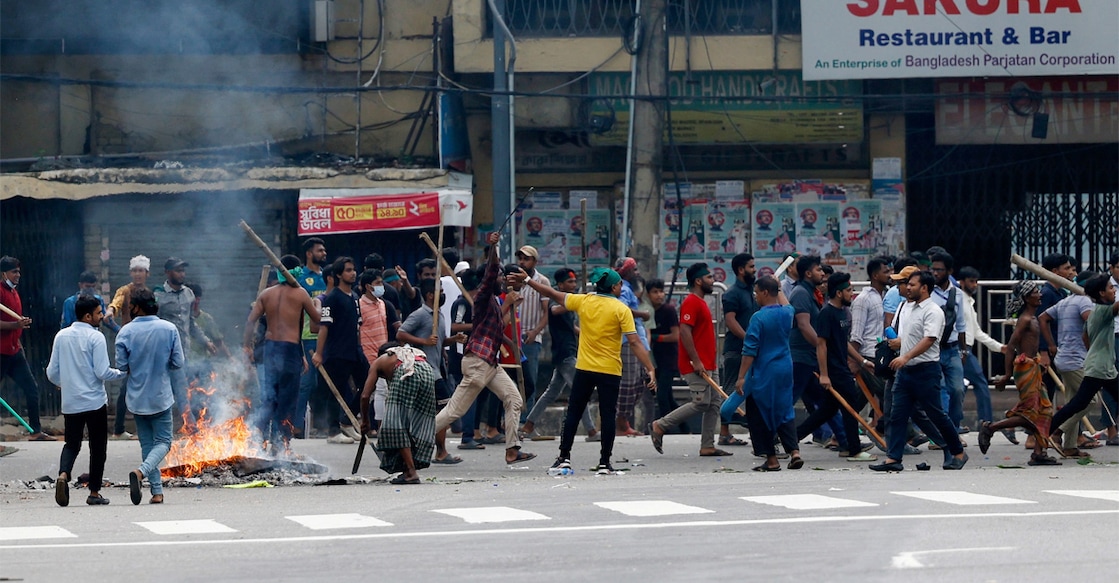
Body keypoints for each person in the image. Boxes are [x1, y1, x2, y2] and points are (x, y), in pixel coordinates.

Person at [513, 264, 657, 474]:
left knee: (573, 412)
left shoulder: (584, 300)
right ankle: (604, 462)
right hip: (610, 370)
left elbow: (551, 293)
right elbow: (635, 342)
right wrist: (650, 368)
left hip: (585, 367)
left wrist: (527, 280)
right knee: (608, 415)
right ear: (614, 287)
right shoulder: (620, 309)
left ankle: (564, 457)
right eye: (619, 284)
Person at [433, 232, 536, 465]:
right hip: (478, 362)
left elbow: (499, 327)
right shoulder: (483, 296)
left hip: (490, 363)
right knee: (453, 412)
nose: (505, 280)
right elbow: (491, 274)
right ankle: (409, 439)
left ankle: (512, 449)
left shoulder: (496, 301)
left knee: (514, 399)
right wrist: (493, 248)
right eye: (503, 277)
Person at [870, 270, 968, 472]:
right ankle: (893, 458)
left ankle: (957, 451)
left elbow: (929, 339)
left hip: (926, 370)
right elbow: (908, 337)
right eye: (907, 284)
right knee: (897, 414)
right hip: (905, 372)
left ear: (924, 288)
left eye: (912, 284)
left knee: (936, 414)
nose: (908, 288)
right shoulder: (907, 308)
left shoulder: (933, 311)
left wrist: (906, 355)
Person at [47, 296, 127, 506]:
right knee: (97, 447)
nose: (102, 317)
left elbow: (52, 372)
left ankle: (63, 475)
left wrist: (64, 384)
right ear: (88, 315)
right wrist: (121, 373)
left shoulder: (61, 336)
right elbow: (102, 371)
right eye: (99, 313)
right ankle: (94, 492)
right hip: (94, 402)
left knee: (72, 444)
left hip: (71, 403)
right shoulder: (96, 337)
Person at [721, 275, 801, 471]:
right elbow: (787, 304)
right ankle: (795, 452)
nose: (755, 296)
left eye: (757, 292)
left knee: (760, 413)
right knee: (784, 410)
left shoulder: (758, 318)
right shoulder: (787, 313)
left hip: (764, 371)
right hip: (785, 369)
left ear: (765, 293)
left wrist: (741, 377)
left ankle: (772, 459)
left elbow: (749, 350)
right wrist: (778, 287)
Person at [797, 272, 878, 461]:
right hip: (834, 371)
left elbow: (844, 343)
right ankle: (854, 449)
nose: (852, 294)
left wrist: (863, 362)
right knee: (850, 409)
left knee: (827, 411)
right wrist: (824, 375)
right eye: (849, 290)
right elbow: (821, 344)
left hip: (841, 367)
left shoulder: (842, 312)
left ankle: (790, 440)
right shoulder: (827, 313)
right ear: (839, 293)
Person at [650, 263, 727, 457]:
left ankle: (707, 445)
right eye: (709, 277)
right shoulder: (691, 302)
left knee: (714, 403)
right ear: (699, 281)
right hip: (696, 364)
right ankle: (660, 425)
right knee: (701, 403)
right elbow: (684, 331)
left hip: (710, 362)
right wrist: (696, 360)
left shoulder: (701, 302)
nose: (713, 280)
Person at [115, 288, 184, 505]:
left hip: (136, 398)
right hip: (161, 396)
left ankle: (157, 492)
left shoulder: (125, 332)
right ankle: (142, 472)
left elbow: (122, 366)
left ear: (135, 307)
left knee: (147, 444)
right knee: (164, 442)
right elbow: (178, 362)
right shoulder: (169, 329)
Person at [980, 281, 1059, 465]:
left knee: (1045, 410)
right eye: (1035, 292)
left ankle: (1039, 453)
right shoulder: (1025, 320)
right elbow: (1010, 348)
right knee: (1030, 413)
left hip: (1033, 367)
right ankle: (990, 427)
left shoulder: (1033, 318)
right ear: (1026, 298)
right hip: (1025, 369)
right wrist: (1007, 375)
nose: (1039, 294)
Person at [243, 266, 319, 448]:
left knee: (270, 398)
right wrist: (317, 303)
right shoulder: (301, 294)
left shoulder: (267, 294)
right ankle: (280, 444)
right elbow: (317, 320)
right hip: (289, 350)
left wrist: (247, 346)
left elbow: (250, 321)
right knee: (287, 399)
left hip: (270, 348)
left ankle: (258, 441)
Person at [520, 268, 598, 441]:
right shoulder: (557, 301)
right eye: (569, 282)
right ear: (560, 285)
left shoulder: (569, 302)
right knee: (581, 390)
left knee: (551, 392)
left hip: (567, 350)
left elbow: (570, 327)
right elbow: (554, 311)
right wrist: (578, 301)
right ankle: (591, 431)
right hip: (564, 353)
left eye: (574, 282)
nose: (573, 285)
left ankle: (528, 425)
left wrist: (586, 334)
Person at [396, 278, 467, 464]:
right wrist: (423, 342)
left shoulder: (439, 315)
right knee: (444, 409)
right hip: (426, 371)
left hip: (437, 368)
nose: (443, 294)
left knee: (434, 411)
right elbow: (401, 333)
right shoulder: (420, 314)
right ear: (429, 295)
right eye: (440, 291)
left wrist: (453, 340)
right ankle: (439, 451)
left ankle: (432, 449)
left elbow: (440, 341)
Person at [1045, 275, 1119, 452]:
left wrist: (1096, 352)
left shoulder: (1094, 312)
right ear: (1101, 293)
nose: (1114, 290)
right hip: (1101, 368)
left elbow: (1085, 337)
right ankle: (1048, 430)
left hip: (1099, 365)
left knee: (1078, 403)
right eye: (1111, 288)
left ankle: (1048, 430)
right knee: (1078, 403)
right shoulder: (1102, 311)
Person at [1038, 271, 1099, 456]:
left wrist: (1051, 344)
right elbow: (1091, 325)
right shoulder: (1085, 302)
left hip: (1064, 358)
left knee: (1074, 402)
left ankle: (1070, 446)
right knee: (1090, 400)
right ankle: (1058, 430)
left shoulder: (1065, 301)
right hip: (1075, 359)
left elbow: (1043, 318)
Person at [360, 343, 437, 484]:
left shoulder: (378, 363)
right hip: (428, 371)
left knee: (395, 425)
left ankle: (411, 472)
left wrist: (365, 421)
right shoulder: (401, 355)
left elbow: (365, 396)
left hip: (407, 373)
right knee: (419, 421)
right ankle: (408, 470)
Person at [153, 257, 214, 429]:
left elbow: (191, 323)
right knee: (164, 392)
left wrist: (206, 342)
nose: (182, 274)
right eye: (178, 270)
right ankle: (169, 426)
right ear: (168, 272)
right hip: (163, 353)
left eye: (183, 270)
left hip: (183, 353)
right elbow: (152, 322)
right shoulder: (158, 295)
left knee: (182, 390)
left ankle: (190, 426)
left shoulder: (189, 294)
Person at [312, 257, 368, 444]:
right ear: (338, 274)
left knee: (368, 383)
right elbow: (324, 328)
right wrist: (319, 353)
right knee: (335, 391)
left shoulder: (355, 298)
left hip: (354, 351)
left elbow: (357, 327)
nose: (353, 273)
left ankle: (347, 419)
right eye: (348, 270)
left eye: (353, 270)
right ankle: (333, 431)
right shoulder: (332, 299)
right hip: (337, 352)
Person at [0, 256, 53, 441]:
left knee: (31, 388)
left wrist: (19, 339)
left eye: (19, 272)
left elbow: (16, 325)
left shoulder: (14, 293)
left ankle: (36, 431)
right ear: (3, 273)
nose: (18, 275)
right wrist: (16, 325)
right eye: (14, 271)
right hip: (0, 352)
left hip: (15, 352)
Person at [957, 266, 1006, 443]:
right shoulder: (959, 301)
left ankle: (956, 424)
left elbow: (976, 332)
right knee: (979, 383)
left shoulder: (968, 301)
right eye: (971, 281)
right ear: (962, 282)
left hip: (964, 349)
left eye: (976, 281)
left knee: (958, 388)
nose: (975, 284)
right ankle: (987, 422)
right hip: (961, 348)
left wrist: (999, 347)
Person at [106, 254, 151, 439]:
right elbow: (114, 307)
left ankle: (125, 428)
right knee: (128, 386)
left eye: (140, 271)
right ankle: (119, 429)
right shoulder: (124, 291)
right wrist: (119, 328)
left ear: (147, 273)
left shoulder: (149, 293)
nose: (137, 274)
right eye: (134, 271)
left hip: (146, 345)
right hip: (131, 347)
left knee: (143, 386)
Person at [718, 253, 758, 447]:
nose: (754, 270)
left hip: (751, 350)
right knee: (730, 390)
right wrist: (748, 339)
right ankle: (724, 433)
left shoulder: (751, 291)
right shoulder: (733, 293)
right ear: (741, 270)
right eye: (751, 266)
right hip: (736, 350)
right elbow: (730, 320)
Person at [929, 252, 968, 433]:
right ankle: (944, 432)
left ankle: (954, 427)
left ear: (949, 271)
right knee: (941, 389)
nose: (935, 273)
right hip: (933, 348)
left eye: (939, 270)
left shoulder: (958, 294)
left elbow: (961, 325)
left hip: (952, 349)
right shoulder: (927, 292)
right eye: (933, 269)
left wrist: (963, 351)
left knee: (958, 389)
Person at [850, 256, 892, 423]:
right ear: (875, 275)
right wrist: (853, 359)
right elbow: (856, 333)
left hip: (881, 354)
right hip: (868, 356)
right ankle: (907, 435)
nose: (890, 274)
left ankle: (838, 435)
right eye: (886, 271)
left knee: (858, 398)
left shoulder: (887, 297)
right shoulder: (863, 299)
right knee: (888, 393)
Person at [614, 257, 651, 436]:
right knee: (629, 384)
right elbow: (621, 309)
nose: (637, 273)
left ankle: (623, 420)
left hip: (638, 341)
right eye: (634, 269)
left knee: (641, 382)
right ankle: (620, 422)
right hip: (628, 342)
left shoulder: (629, 289)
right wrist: (642, 313)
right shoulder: (622, 288)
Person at [514, 245, 549, 419]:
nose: (522, 262)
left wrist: (535, 332)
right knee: (510, 381)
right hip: (511, 336)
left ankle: (525, 421)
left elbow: (546, 313)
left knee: (530, 381)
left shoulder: (542, 281)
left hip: (530, 337)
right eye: (520, 258)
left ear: (534, 261)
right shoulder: (512, 278)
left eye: (526, 258)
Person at [647, 278, 684, 430]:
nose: (659, 295)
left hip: (669, 358)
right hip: (655, 360)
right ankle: (684, 428)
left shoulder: (668, 311)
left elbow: (676, 335)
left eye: (661, 291)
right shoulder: (647, 311)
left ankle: (664, 428)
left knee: (662, 394)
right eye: (655, 292)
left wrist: (656, 338)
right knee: (668, 396)